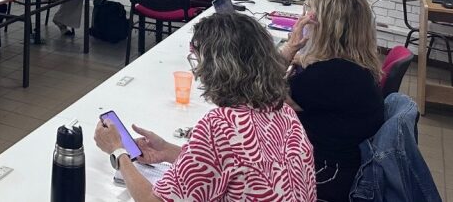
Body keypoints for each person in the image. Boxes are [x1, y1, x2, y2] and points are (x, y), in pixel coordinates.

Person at [94, 13, 315, 201]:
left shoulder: (220, 126)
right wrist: (168, 151)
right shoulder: (284, 112)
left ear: (215, 67)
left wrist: (118, 151)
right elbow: (238, 164)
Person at [283, 0, 385, 202]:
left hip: (326, 174)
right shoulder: (355, 67)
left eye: (309, 13)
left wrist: (291, 47)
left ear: (324, 27)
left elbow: (259, 92)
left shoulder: (325, 76)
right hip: (345, 166)